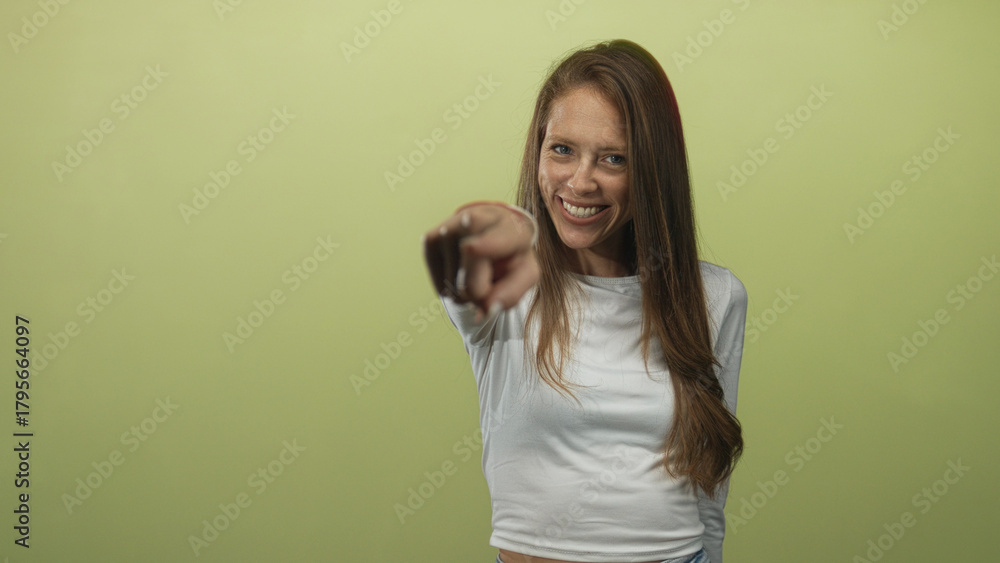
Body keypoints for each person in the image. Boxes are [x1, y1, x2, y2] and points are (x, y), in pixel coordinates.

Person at [422, 39, 748, 563]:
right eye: (562, 150)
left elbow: (709, 481)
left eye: (613, 158)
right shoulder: (503, 289)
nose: (580, 181)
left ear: (651, 173)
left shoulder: (714, 296)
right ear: (537, 153)